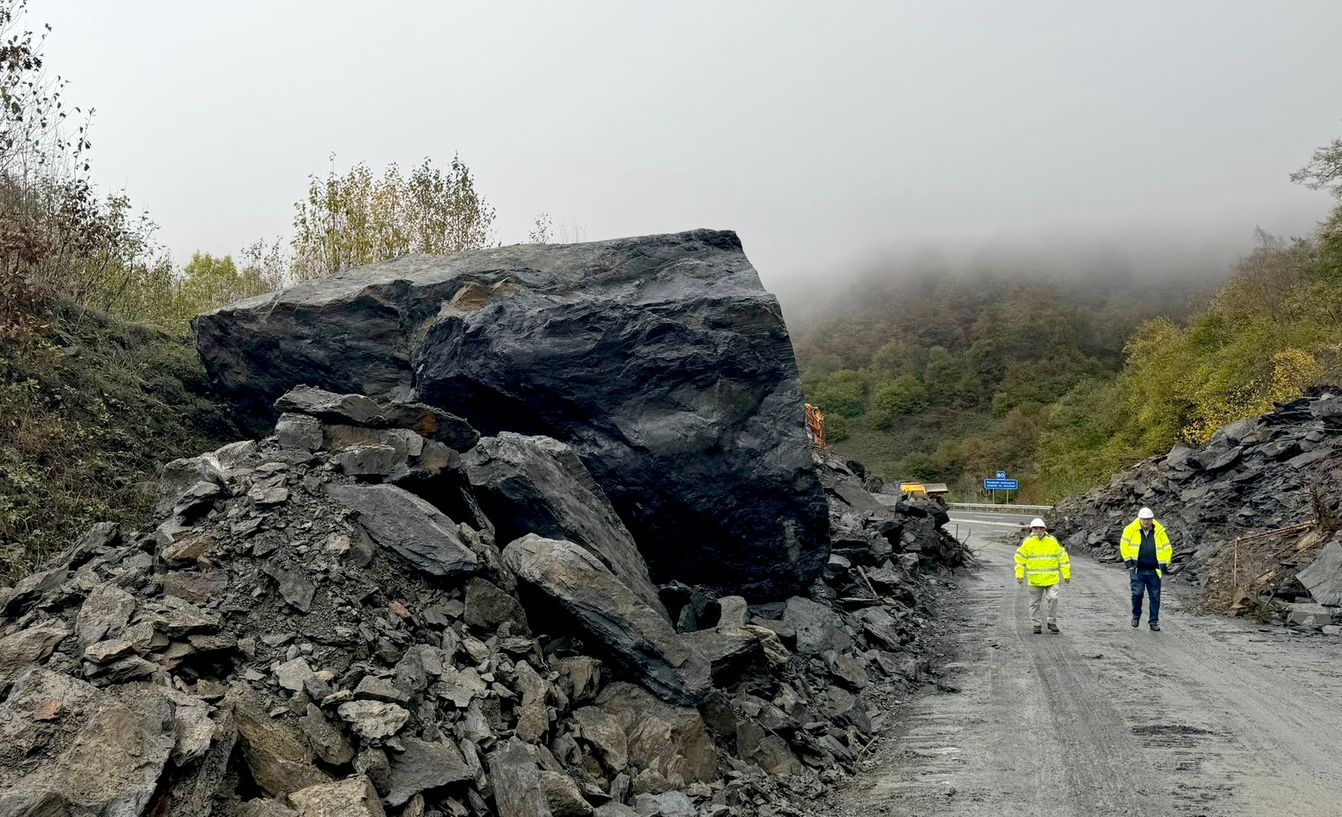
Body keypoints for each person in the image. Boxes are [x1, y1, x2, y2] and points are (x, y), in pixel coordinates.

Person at [1014, 518, 1071, 634]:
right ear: (1032, 529)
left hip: (1052, 578)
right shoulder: (1027, 543)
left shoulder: (1052, 541)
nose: (1038, 530)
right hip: (1035, 580)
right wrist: (1019, 574)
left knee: (1053, 599)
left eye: (1041, 528)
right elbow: (1020, 560)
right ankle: (1036, 624)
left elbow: (1063, 558)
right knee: (1035, 603)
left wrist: (1066, 575)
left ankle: (1052, 622)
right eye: (1036, 528)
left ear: (1045, 529)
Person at [1120, 507, 1172, 632]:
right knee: (1137, 594)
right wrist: (1128, 561)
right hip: (1138, 570)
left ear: (1152, 520)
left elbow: (1167, 547)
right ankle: (1136, 615)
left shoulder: (1159, 532)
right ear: (1139, 519)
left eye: (1148, 519)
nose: (1146, 522)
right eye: (1144, 520)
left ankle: (1153, 621)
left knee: (1155, 597)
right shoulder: (1130, 530)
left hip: (1154, 570)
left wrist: (1165, 564)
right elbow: (1124, 545)